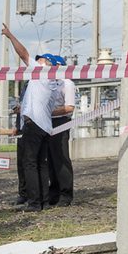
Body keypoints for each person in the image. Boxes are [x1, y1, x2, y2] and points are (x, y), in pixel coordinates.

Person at [0, 24, 62, 212]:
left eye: (41, 59)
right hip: (44, 125)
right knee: (41, 164)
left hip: (33, 125)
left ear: (47, 63)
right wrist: (22, 108)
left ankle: (34, 203)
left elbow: (23, 53)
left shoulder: (42, 73)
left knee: (29, 163)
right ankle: (43, 200)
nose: (37, 61)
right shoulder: (52, 83)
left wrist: (10, 36)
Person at [47, 71, 76, 207]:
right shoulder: (49, 84)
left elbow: (69, 108)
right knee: (50, 159)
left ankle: (65, 193)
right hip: (48, 122)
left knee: (61, 158)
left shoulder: (67, 83)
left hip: (61, 122)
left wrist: (49, 112)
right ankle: (54, 192)